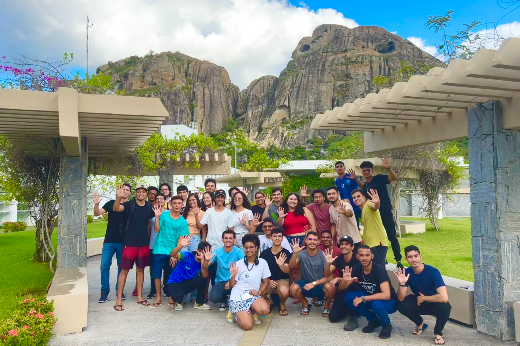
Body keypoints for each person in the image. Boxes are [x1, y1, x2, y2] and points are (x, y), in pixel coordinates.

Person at [395, 245, 450, 345]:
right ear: (406, 259)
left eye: (416, 256)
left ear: (421, 257)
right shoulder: (407, 272)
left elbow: (444, 297)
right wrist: (402, 283)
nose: (414, 259)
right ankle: (420, 323)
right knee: (400, 304)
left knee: (445, 307)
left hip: (435, 302)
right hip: (419, 302)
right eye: (410, 257)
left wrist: (424, 297)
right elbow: (400, 298)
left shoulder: (433, 272)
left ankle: (438, 333)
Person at [113, 184, 155, 311]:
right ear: (135, 193)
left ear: (146, 194)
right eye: (139, 192)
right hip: (130, 242)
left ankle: (140, 297)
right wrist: (118, 197)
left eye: (143, 192)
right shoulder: (129, 205)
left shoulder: (149, 206)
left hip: (143, 243)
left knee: (140, 269)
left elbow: (149, 223)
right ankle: (119, 300)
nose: (141, 194)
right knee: (124, 270)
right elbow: (116, 209)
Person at [342, 245, 397, 339]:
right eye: (361, 255)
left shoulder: (379, 270)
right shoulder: (357, 268)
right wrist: (344, 280)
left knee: (376, 304)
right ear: (357, 256)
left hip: (390, 302)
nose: (364, 258)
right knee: (348, 297)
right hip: (371, 297)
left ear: (372, 256)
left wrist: (363, 298)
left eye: (367, 255)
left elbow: (386, 295)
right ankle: (373, 320)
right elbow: (341, 288)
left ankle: (386, 325)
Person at [359, 159, 403, 269]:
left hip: (385, 211)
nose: (366, 172)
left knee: (392, 236)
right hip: (374, 216)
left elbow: (394, 178)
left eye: (368, 170)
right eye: (364, 171)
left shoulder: (378, 178)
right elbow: (363, 188)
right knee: (377, 237)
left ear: (372, 171)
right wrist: (355, 179)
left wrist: (388, 168)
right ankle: (383, 258)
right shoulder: (366, 186)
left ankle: (398, 260)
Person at [93, 184, 131, 303]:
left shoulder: (131, 205)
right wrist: (96, 204)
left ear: (130, 193)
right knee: (104, 265)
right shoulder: (110, 203)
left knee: (121, 267)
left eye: (127, 190)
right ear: (118, 191)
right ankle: (104, 291)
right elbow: (97, 213)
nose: (124, 192)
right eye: (122, 189)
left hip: (123, 241)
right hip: (109, 241)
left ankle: (119, 290)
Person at [150, 196, 189, 308]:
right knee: (156, 275)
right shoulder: (164, 215)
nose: (177, 205)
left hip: (172, 251)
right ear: (170, 204)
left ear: (182, 205)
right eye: (175, 203)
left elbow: (181, 240)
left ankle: (172, 298)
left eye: (179, 203)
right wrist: (157, 217)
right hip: (159, 249)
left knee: (173, 276)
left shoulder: (183, 222)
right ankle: (158, 297)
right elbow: (156, 229)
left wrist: (175, 255)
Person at [228, 234, 271, 330]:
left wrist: (259, 292)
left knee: (265, 310)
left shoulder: (263, 262)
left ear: (256, 248)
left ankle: (251, 311)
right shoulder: (238, 264)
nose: (249, 250)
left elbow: (265, 282)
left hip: (252, 295)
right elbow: (231, 285)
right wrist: (233, 275)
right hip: (238, 297)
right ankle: (233, 312)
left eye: (251, 247)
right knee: (248, 326)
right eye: (246, 248)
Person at [289, 232, 335, 317]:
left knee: (330, 287)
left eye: (315, 240)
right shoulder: (302, 254)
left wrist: (328, 264)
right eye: (310, 239)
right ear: (306, 240)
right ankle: (305, 302)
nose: (312, 242)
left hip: (320, 284)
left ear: (318, 242)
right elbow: (291, 265)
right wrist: (295, 254)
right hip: (306, 284)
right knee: (293, 288)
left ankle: (327, 305)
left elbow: (329, 276)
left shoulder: (323, 255)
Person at [166, 235, 212, 311]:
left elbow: (205, 275)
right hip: (175, 283)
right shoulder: (187, 255)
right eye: (201, 252)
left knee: (202, 278)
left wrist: (204, 261)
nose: (202, 255)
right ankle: (175, 299)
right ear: (197, 250)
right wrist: (180, 246)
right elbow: (172, 254)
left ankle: (199, 303)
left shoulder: (205, 261)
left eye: (205, 253)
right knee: (178, 298)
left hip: (187, 284)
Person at [325, 235, 360, 329]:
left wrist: (338, 279)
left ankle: (353, 317)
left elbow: (357, 278)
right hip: (343, 287)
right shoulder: (340, 258)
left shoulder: (357, 258)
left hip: (356, 288)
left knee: (350, 287)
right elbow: (327, 273)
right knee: (333, 318)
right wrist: (328, 264)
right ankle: (350, 309)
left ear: (352, 247)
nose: (343, 246)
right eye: (342, 244)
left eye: (347, 244)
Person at [205, 230, 244, 315]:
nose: (228, 240)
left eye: (230, 238)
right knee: (213, 297)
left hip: (236, 280)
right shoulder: (217, 252)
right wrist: (206, 260)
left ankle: (233, 299)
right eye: (226, 238)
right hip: (221, 281)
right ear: (222, 240)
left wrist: (230, 281)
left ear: (234, 240)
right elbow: (207, 265)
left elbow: (245, 267)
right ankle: (224, 300)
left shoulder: (239, 252)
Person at [351, 189, 389, 267]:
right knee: (374, 270)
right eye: (354, 198)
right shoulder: (363, 210)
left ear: (364, 197)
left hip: (378, 244)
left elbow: (375, 206)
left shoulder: (368, 204)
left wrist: (377, 202)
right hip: (370, 245)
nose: (356, 199)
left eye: (358, 196)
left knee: (379, 270)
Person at [260, 228, 292, 316]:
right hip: (268, 281)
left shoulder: (286, 253)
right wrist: (268, 281)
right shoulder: (264, 253)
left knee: (284, 291)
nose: (277, 238)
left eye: (279, 236)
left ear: (282, 238)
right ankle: (268, 300)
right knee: (256, 289)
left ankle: (282, 303)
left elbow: (287, 270)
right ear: (270, 237)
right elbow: (260, 271)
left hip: (282, 281)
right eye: (274, 236)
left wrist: (281, 265)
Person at [327, 186, 362, 253]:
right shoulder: (330, 209)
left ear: (338, 194)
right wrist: (331, 238)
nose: (331, 196)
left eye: (333, 193)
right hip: (341, 241)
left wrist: (345, 212)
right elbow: (334, 225)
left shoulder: (345, 204)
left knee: (355, 262)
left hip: (353, 240)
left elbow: (350, 213)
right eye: (329, 194)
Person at [146, 193, 165, 299]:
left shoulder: (168, 213)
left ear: (164, 200)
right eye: (157, 199)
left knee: (166, 269)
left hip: (166, 245)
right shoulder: (151, 213)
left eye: (161, 199)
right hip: (153, 245)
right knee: (153, 269)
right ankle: (153, 289)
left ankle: (166, 289)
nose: (159, 200)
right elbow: (149, 227)